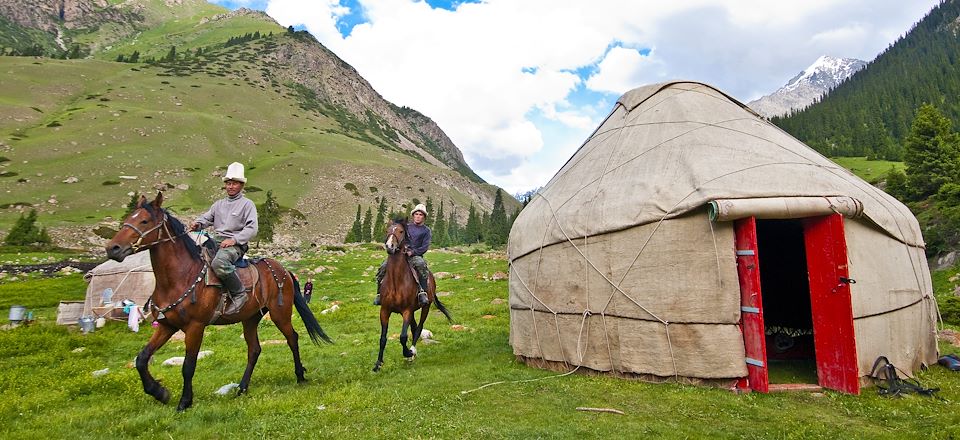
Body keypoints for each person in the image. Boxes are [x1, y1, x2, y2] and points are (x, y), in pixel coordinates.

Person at [189, 162, 258, 315]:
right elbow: (207, 219)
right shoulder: (218, 204)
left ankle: (239, 293)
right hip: (216, 242)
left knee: (219, 263)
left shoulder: (248, 205)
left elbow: (252, 229)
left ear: (241, 185)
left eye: (234, 184)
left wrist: (234, 240)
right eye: (228, 183)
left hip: (235, 245)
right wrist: (198, 224)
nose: (230, 186)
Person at [374, 203, 431, 306]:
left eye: (420, 214)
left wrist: (412, 252)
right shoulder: (406, 227)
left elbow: (424, 247)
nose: (418, 216)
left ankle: (423, 292)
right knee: (383, 267)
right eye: (416, 214)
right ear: (413, 215)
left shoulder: (426, 231)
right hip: (400, 254)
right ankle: (379, 294)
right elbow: (398, 238)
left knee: (421, 265)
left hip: (415, 256)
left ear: (424, 217)